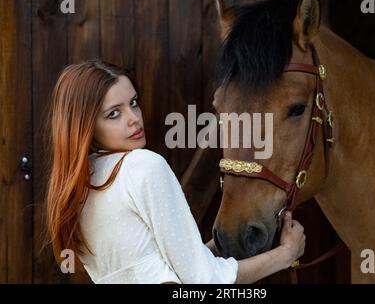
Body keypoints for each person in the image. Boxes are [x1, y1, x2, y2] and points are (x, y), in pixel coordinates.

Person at [44, 60, 306, 284]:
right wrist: (286, 254)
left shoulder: (75, 187)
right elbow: (205, 280)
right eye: (114, 114)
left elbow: (162, 267)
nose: (134, 117)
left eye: (133, 103)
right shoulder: (142, 166)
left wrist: (218, 244)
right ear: (85, 125)